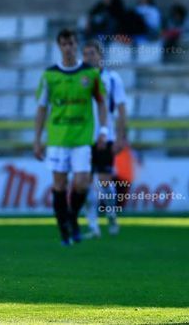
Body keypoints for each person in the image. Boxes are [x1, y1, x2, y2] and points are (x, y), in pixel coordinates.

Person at [33, 29, 108, 246]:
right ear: (59, 46)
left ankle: (72, 218)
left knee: (82, 184)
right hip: (57, 139)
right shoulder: (49, 75)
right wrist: (37, 139)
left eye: (71, 44)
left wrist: (103, 130)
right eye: (64, 44)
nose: (68, 48)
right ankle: (63, 229)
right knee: (60, 184)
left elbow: (102, 102)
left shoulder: (90, 74)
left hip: (82, 138)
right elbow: (41, 108)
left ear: (77, 46)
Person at [81, 40, 128, 238]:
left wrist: (120, 136)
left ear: (100, 56)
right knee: (83, 183)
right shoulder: (80, 79)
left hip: (105, 136)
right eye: (86, 54)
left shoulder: (113, 78)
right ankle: (93, 226)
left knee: (104, 183)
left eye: (92, 53)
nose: (89, 58)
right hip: (82, 138)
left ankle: (111, 213)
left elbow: (121, 108)